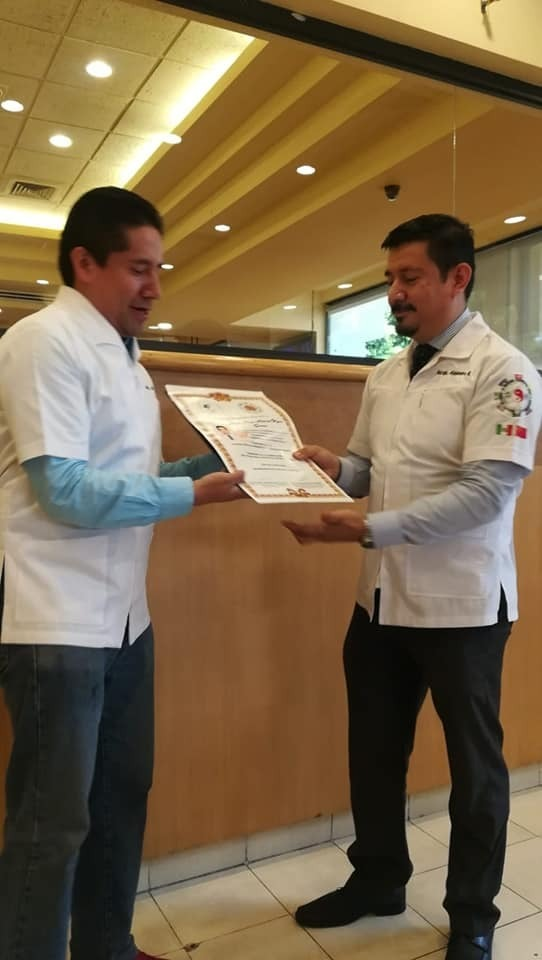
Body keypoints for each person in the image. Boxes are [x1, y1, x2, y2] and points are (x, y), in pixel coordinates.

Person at [284, 214, 542, 960]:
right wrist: (334, 468)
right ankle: (378, 880)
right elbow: (367, 468)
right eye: (390, 279)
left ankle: (473, 916)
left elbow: (485, 494)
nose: (394, 292)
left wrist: (369, 528)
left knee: (475, 774)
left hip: (462, 607)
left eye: (410, 278)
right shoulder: (387, 373)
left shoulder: (506, 372)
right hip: (379, 603)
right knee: (373, 753)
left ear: (458, 278)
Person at [0, 186, 244, 960]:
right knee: (51, 822)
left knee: (121, 794)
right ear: (85, 262)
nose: (155, 288)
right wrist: (191, 494)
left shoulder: (128, 358)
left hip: (126, 620)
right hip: (55, 619)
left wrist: (215, 466)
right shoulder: (44, 342)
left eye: (158, 270)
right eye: (140, 269)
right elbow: (64, 490)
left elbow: (135, 477)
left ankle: (107, 947)